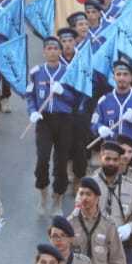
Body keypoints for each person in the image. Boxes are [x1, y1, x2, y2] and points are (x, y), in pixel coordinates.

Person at [27, 36, 83, 215]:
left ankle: (57, 199)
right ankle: (43, 195)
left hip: (64, 120)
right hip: (44, 120)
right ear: (44, 52)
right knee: (42, 158)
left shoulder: (69, 72)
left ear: (60, 51)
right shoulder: (36, 72)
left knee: (61, 160)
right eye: (48, 49)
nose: (52, 52)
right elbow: (30, 95)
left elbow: (77, 99)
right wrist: (32, 111)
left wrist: (63, 92)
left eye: (55, 48)